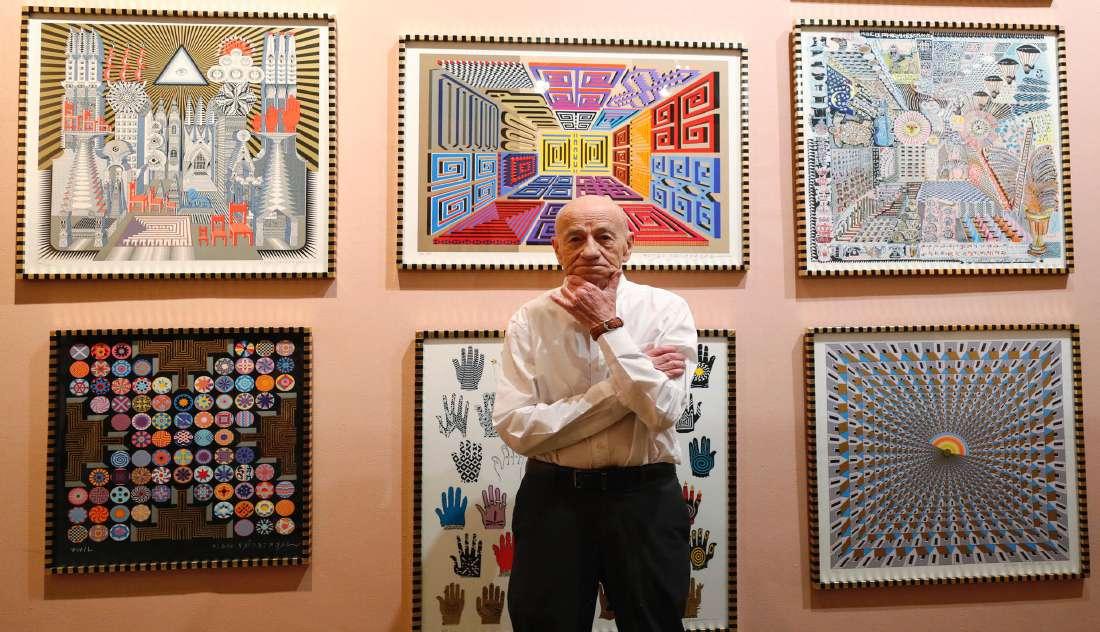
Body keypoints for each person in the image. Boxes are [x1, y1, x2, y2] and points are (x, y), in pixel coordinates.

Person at [493, 195, 697, 631]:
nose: (589, 250)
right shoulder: (529, 319)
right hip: (553, 502)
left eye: (604, 237)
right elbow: (517, 428)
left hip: (645, 500)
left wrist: (608, 328)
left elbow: (662, 410)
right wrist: (624, 389)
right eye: (575, 238)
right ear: (556, 249)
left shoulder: (667, 310)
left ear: (628, 245)